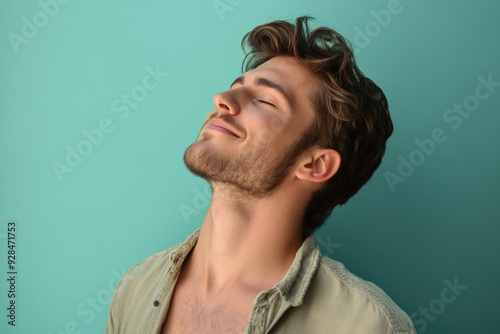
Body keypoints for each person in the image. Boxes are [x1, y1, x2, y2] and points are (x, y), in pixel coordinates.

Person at [105, 16, 417, 334]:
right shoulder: (135, 288)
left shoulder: (367, 325)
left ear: (315, 164)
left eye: (265, 101)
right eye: (235, 87)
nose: (222, 100)